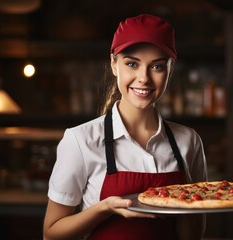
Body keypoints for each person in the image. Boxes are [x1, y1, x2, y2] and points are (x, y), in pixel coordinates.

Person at [43, 14, 208, 240]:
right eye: (132, 64)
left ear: (170, 69)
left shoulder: (188, 140)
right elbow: (51, 234)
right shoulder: (80, 140)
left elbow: (193, 229)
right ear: (114, 65)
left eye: (157, 67)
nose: (144, 78)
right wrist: (104, 208)